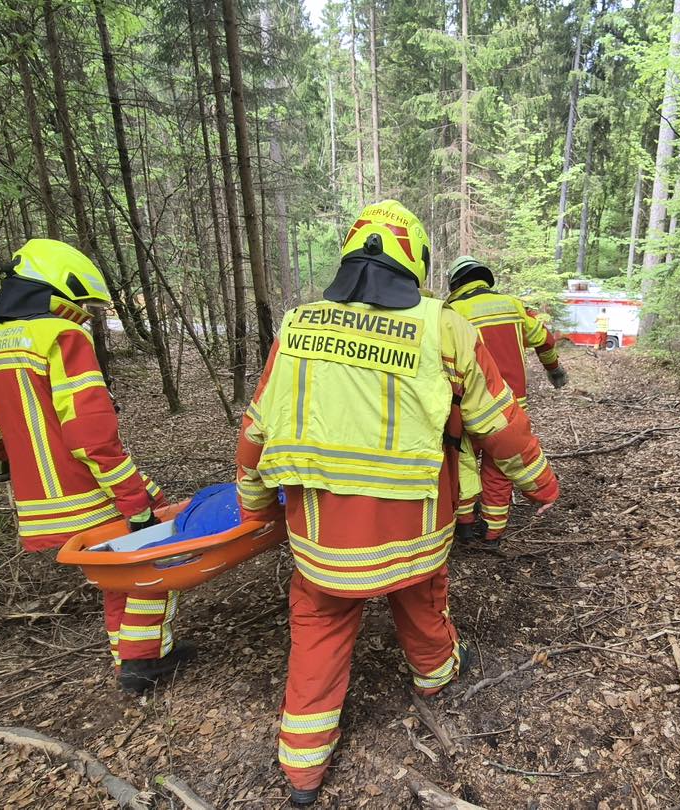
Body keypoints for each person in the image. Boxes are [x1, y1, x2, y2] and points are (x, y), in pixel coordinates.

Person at [234, 201, 560, 805]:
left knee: (318, 627)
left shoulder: (298, 326)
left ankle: (303, 765)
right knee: (421, 598)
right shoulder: (443, 327)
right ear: (416, 261)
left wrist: (255, 505)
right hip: (415, 528)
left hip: (321, 535)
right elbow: (499, 422)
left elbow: (257, 428)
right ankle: (435, 675)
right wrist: (540, 481)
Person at [0, 239, 191, 694]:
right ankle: (142, 665)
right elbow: (92, 438)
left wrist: (4, 453)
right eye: (82, 305)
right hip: (86, 495)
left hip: (38, 505)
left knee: (118, 579)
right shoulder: (61, 336)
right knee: (151, 569)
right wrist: (136, 503)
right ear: (58, 289)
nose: (83, 315)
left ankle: (132, 660)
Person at [446, 256, 567, 549]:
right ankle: (492, 533)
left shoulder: (451, 312)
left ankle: (464, 526)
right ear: (484, 278)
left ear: (455, 283)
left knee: (463, 462)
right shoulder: (513, 306)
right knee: (501, 466)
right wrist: (554, 369)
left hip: (467, 405)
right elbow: (545, 340)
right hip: (511, 407)